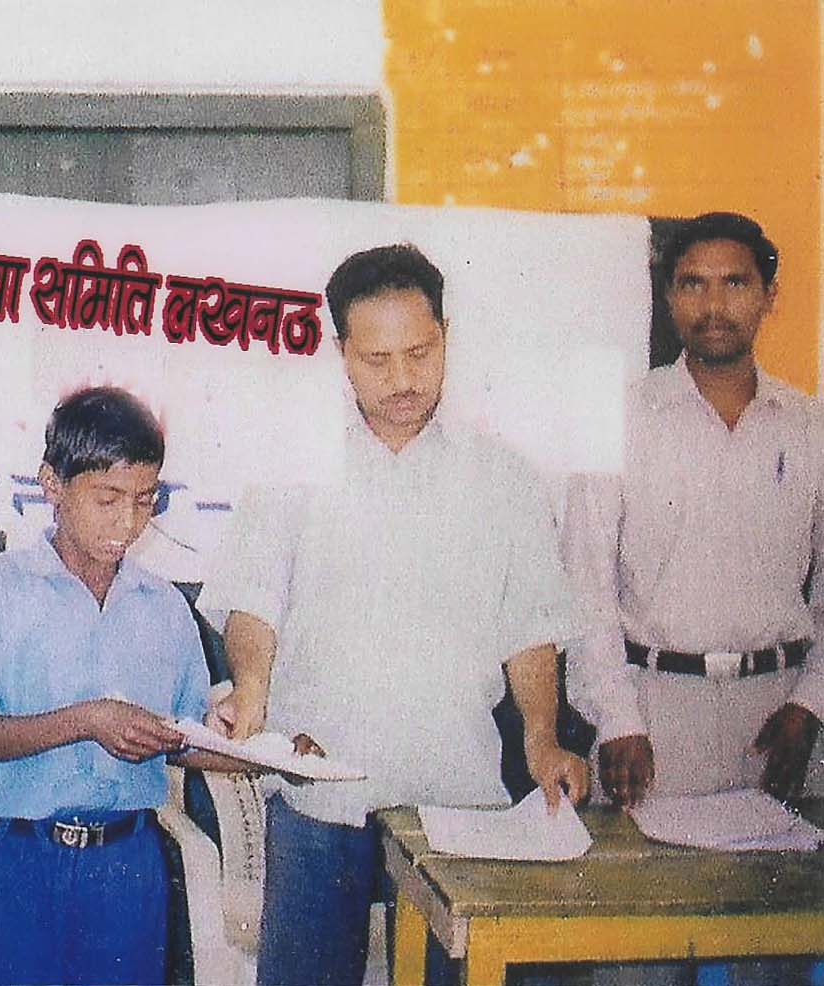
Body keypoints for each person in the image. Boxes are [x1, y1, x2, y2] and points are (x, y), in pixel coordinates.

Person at [198, 244, 590, 986]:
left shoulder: (502, 479)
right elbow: (253, 601)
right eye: (377, 361)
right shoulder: (292, 465)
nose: (404, 380)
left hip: (457, 796)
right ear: (341, 352)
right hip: (319, 796)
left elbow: (531, 629)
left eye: (421, 353)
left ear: (446, 337)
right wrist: (250, 689)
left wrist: (542, 740)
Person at [562, 212, 823, 983]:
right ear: (669, 297)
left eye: (735, 283)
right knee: (636, 960)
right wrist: (617, 717)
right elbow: (584, 585)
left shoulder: (811, 427)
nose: (713, 305)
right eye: (692, 284)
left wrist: (812, 704)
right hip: (651, 720)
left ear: (769, 295)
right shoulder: (617, 416)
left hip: (779, 722)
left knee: (775, 961)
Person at [0, 386, 214, 986]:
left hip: (128, 867)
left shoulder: (164, 607)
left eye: (145, 500)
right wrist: (88, 720)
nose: (128, 522)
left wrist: (264, 754)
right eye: (108, 498)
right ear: (52, 485)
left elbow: (184, 738)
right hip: (21, 861)